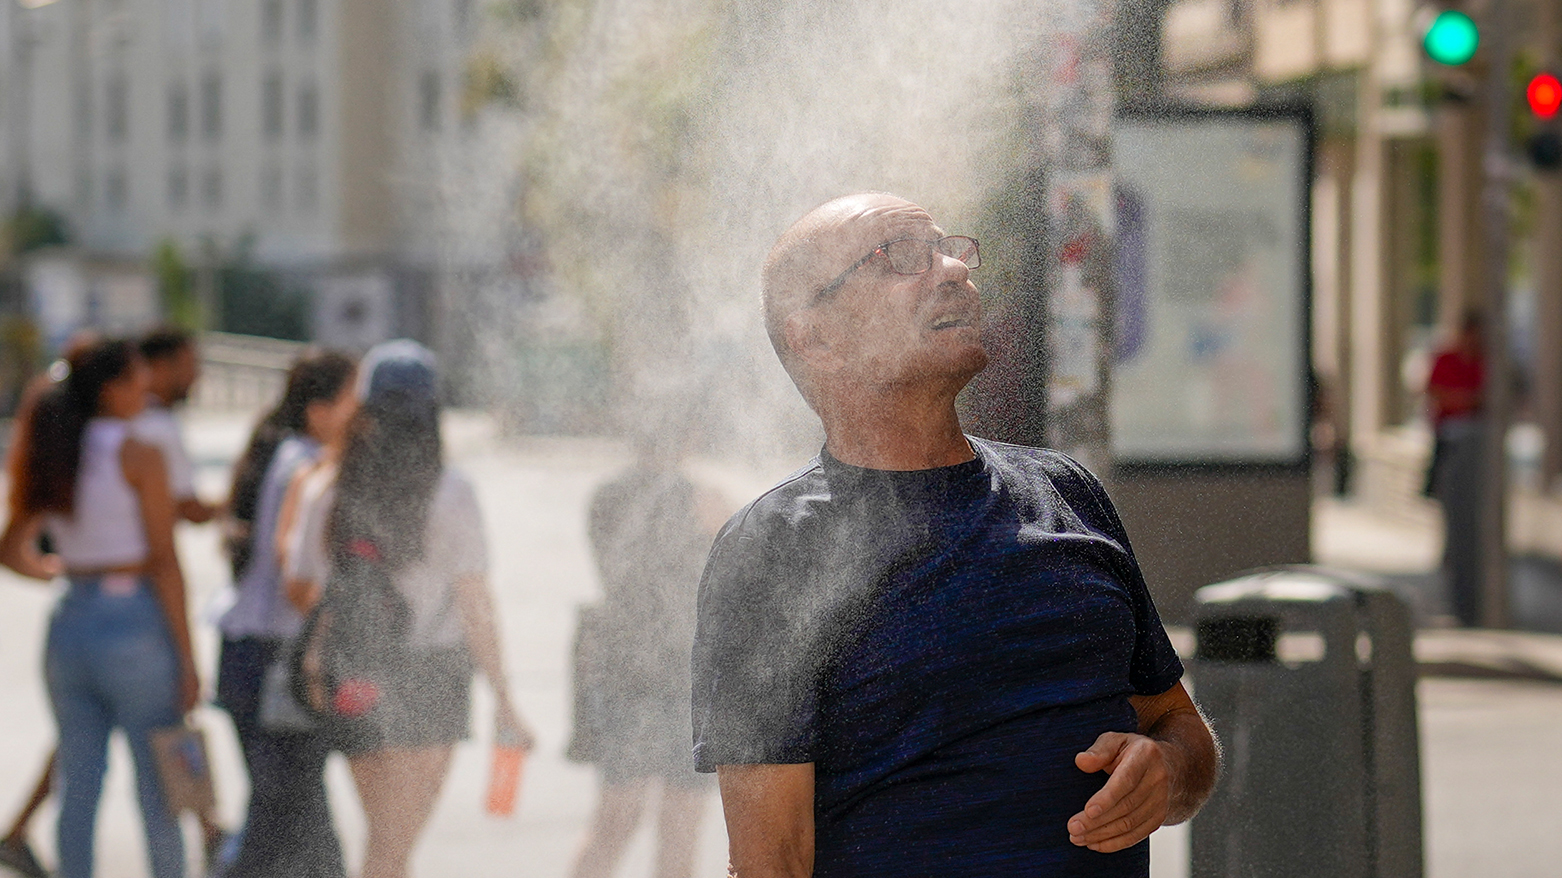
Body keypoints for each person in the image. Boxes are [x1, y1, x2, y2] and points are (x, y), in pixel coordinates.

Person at [691, 193, 1220, 876]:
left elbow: (1182, 734)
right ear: (815, 336)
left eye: (949, 248)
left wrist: (1168, 769)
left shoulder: (1068, 494)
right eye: (901, 256)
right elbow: (773, 862)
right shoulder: (774, 550)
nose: (952, 270)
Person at [280, 340, 534, 878]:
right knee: (392, 847)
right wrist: (504, 699)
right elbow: (475, 608)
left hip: (354, 670)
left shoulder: (327, 486)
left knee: (386, 841)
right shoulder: (452, 492)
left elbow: (299, 588)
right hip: (431, 673)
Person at [0, 339, 199, 878]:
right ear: (110, 390)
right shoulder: (139, 453)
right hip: (133, 617)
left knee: (78, 784)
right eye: (138, 382)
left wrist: (66, 572)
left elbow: (10, 548)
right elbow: (164, 561)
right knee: (158, 782)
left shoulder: (53, 448)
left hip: (70, 620)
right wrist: (188, 656)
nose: (148, 391)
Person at [214, 351, 359, 878]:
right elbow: (293, 574)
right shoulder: (307, 465)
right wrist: (336, 636)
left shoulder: (283, 450)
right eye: (354, 399)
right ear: (320, 411)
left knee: (290, 819)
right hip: (275, 662)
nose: (366, 412)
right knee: (287, 825)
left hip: (249, 655)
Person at [567, 434, 720, 878]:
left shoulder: (607, 495)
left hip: (619, 669)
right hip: (681, 674)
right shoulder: (700, 498)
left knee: (614, 820)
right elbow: (747, 575)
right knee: (678, 828)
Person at [1425, 310, 1486, 626]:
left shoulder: (1488, 363)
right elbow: (1437, 395)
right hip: (1449, 447)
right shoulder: (1446, 359)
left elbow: (1487, 401)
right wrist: (1465, 401)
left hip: (1477, 452)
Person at [134, 328, 219, 525]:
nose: (195, 376)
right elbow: (189, 508)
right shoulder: (159, 425)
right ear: (161, 367)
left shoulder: (123, 419)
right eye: (189, 366)